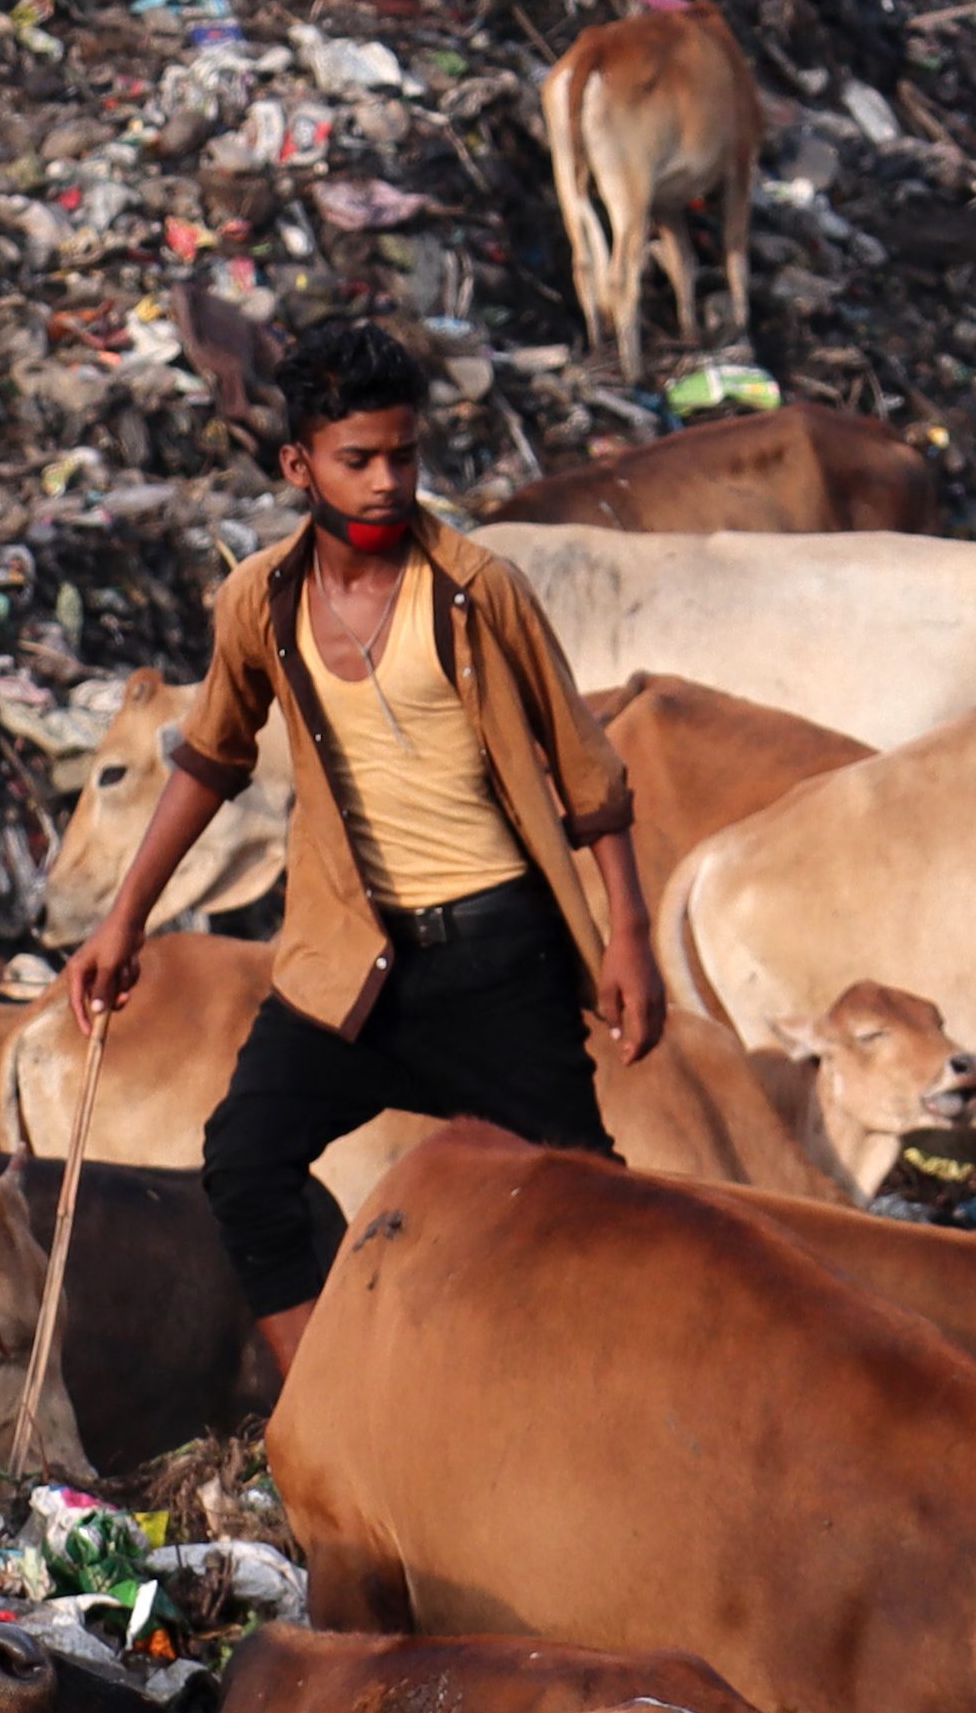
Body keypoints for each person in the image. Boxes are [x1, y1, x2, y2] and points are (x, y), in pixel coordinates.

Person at [60, 316, 664, 1377]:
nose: (387, 482)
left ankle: (609, 1399)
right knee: (244, 1163)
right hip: (351, 964)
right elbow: (209, 759)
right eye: (359, 461)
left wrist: (629, 937)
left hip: (496, 958)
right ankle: (332, 1403)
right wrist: (123, 921)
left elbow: (589, 777)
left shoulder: (480, 593)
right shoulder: (263, 600)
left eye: (404, 455)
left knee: (584, 1200)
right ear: (300, 466)